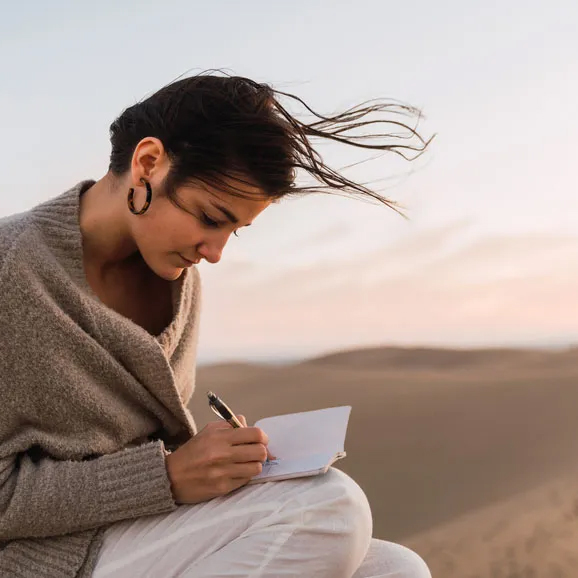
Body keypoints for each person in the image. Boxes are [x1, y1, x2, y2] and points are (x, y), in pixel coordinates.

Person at [0, 72, 432, 578]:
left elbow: (144, 442)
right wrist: (165, 476)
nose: (216, 252)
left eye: (234, 231)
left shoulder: (179, 277)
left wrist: (218, 461)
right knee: (331, 508)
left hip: (135, 530)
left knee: (396, 569)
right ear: (148, 163)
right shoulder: (13, 272)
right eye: (210, 217)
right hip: (42, 557)